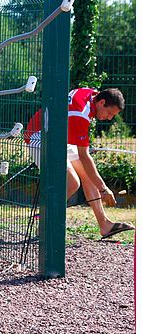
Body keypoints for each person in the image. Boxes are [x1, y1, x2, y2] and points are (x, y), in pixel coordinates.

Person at [24, 87, 134, 240]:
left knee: (88, 176)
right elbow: (84, 156)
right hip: (40, 138)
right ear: (102, 102)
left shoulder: (91, 93)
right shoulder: (81, 115)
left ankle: (104, 225)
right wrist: (103, 189)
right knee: (72, 182)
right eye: (109, 113)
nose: (109, 118)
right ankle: (44, 224)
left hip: (60, 137)